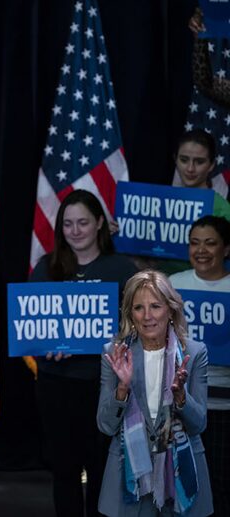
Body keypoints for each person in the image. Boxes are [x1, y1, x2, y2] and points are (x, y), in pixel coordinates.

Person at [30, 189, 137, 517]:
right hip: (55, 383)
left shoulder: (121, 269)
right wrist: (48, 343)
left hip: (103, 384)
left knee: (102, 465)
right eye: (67, 224)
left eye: (83, 223)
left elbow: (137, 324)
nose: (75, 231)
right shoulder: (47, 266)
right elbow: (31, 326)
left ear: (100, 223)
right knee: (64, 468)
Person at [98, 270, 212, 516]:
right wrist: (122, 388)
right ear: (130, 313)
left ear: (170, 310)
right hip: (130, 479)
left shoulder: (194, 353)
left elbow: (198, 424)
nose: (147, 316)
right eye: (139, 308)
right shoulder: (114, 353)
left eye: (155, 306)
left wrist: (181, 397)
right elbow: (105, 426)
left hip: (181, 474)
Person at [169, 215, 230, 515]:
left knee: (221, 484)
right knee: (182, 485)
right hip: (181, 403)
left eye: (210, 243)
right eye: (195, 243)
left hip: (224, 406)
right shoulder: (173, 286)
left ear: (226, 249)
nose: (201, 250)